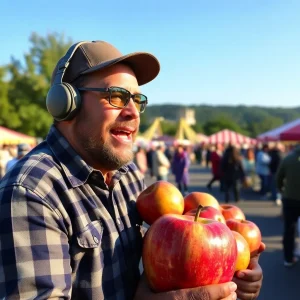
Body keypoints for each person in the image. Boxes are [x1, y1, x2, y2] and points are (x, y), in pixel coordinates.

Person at [0, 40, 263, 300]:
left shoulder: (128, 174)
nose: (133, 112)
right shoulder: (31, 192)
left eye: (138, 100)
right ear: (67, 103)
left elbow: (175, 250)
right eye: (116, 96)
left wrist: (232, 267)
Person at [276, 143, 300, 267]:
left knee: (289, 229)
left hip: (290, 199)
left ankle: (288, 258)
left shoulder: (288, 159)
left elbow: (278, 178)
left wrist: (283, 191)